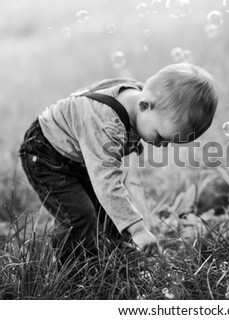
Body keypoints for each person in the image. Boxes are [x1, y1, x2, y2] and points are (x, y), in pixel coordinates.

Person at [18, 63, 218, 264]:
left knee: (108, 212)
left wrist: (129, 142)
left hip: (75, 155)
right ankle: (75, 276)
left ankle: (117, 260)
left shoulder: (138, 97)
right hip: (46, 155)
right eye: (161, 137)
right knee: (80, 216)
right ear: (145, 106)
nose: (162, 146)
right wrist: (138, 228)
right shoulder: (106, 124)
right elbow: (107, 183)